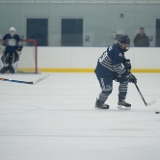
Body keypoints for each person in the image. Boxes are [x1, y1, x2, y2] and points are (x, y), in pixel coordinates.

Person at [95, 35, 137, 110]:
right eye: (124, 43)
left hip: (111, 69)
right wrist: (127, 74)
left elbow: (117, 59)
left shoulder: (117, 47)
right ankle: (99, 103)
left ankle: (121, 100)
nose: (126, 45)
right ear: (119, 42)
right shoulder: (117, 51)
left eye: (127, 43)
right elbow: (116, 67)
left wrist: (125, 61)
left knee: (124, 79)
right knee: (107, 90)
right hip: (103, 71)